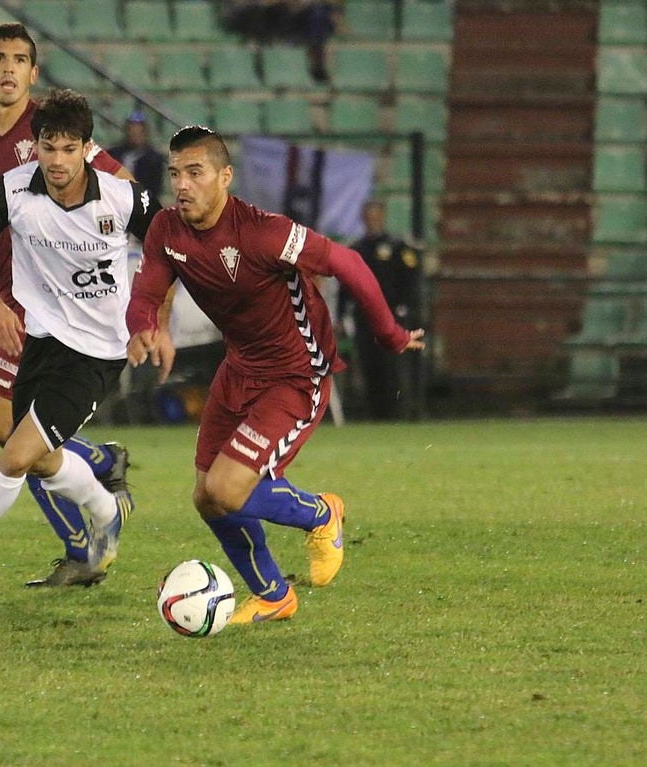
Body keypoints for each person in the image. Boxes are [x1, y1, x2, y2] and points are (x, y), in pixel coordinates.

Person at [126, 126, 425, 625]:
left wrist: (389, 332)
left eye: (195, 173)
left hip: (295, 374)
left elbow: (347, 263)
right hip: (239, 367)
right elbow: (147, 292)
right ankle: (273, 594)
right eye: (176, 174)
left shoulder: (264, 231)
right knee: (206, 497)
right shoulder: (166, 230)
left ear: (225, 177)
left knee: (228, 488)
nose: (182, 185)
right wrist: (144, 328)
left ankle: (322, 514)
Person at [0, 88, 161, 598]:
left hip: (96, 352)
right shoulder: (14, 189)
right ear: (35, 145)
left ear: (87, 149)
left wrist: (154, 317)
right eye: (47, 147)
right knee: (41, 457)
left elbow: (169, 245)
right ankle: (107, 511)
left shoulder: (121, 196)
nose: (57, 161)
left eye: (68, 149)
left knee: (16, 456)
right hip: (39, 342)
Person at [0, 22, 174, 588]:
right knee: (0, 424)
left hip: (45, 302)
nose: (7, 69)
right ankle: (97, 467)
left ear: (32, 73)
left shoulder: (52, 128)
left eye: (18, 60)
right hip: (2, 289)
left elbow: (115, 188)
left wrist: (151, 313)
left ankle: (83, 538)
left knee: (3, 425)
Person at [343, 199, 424, 420]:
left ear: (382, 216)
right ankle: (376, 414)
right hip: (365, 317)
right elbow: (345, 285)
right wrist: (342, 313)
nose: (372, 221)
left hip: (392, 318)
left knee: (395, 366)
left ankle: (401, 413)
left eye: (375, 216)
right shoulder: (357, 249)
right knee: (371, 366)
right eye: (368, 216)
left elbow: (410, 280)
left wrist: (405, 308)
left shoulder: (397, 246)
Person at [108, 111, 166, 201]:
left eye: (139, 131)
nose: (135, 133)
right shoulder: (114, 154)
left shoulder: (154, 159)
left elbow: (155, 189)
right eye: (132, 130)